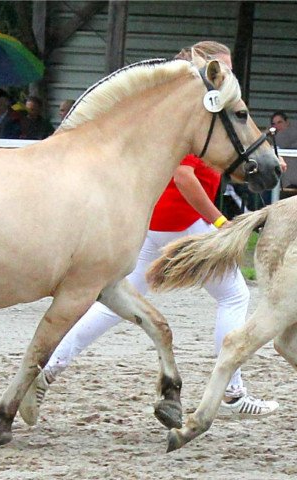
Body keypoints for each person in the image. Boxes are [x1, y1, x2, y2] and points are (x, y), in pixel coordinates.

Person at [19, 40, 280, 426]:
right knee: (235, 295)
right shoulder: (198, 113)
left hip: (158, 222)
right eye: (222, 69)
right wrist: (220, 224)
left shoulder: (192, 110)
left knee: (111, 302)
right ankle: (232, 389)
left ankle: (48, 371)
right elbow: (185, 175)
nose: (230, 77)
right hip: (181, 221)